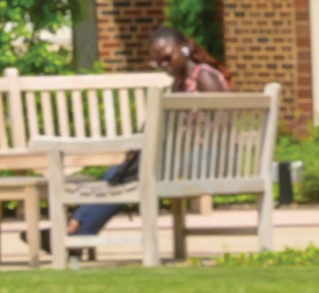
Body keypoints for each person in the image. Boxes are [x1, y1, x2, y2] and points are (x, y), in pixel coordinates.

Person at [68, 27, 228, 237]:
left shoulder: (204, 77)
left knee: (129, 172)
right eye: (159, 61)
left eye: (168, 57)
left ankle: (75, 227)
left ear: (186, 49)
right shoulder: (179, 84)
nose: (164, 65)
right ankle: (78, 230)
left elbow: (223, 129)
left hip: (208, 160)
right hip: (184, 159)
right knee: (125, 171)